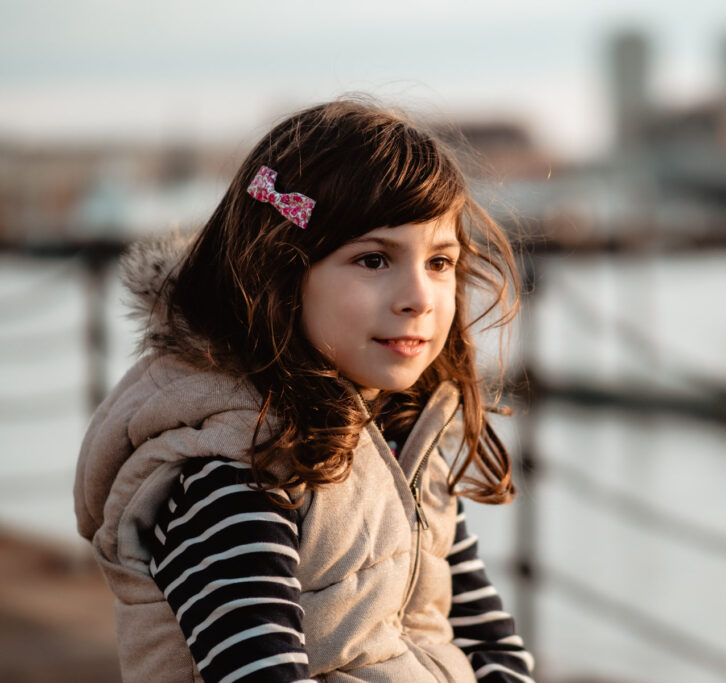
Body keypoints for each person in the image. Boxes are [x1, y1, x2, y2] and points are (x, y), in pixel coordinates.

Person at [73, 99, 535, 683]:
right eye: (373, 259)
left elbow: (490, 641)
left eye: (440, 261)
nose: (419, 297)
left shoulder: (407, 441)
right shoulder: (231, 471)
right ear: (279, 272)